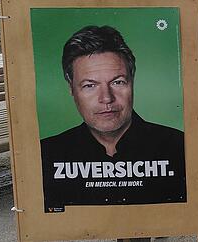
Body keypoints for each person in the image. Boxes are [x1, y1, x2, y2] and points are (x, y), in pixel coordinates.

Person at [40, 25, 186, 212]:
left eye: (117, 82)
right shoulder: (47, 153)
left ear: (132, 81)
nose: (106, 98)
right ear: (71, 89)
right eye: (90, 85)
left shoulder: (178, 146)